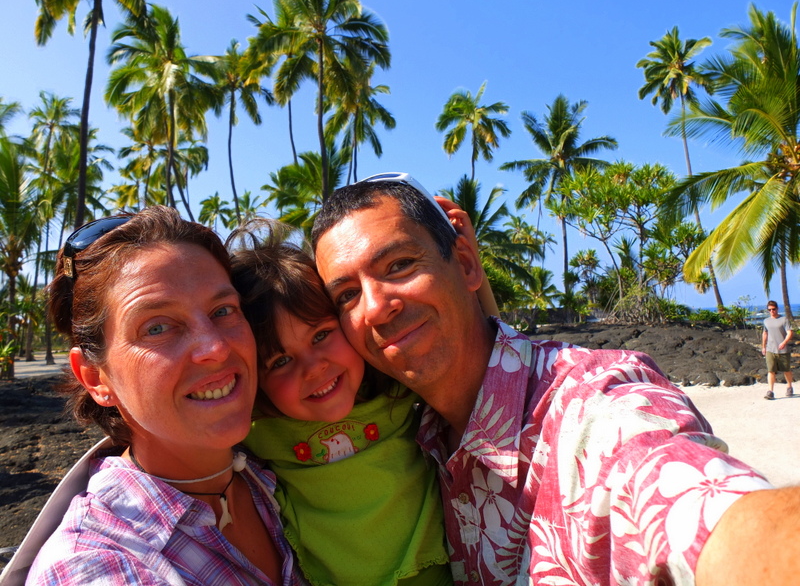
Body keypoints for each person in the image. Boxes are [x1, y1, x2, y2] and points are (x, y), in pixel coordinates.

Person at [310, 173, 799, 585]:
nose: (375, 307)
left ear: (466, 263)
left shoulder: (593, 408)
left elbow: (686, 499)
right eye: (347, 295)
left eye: (399, 265)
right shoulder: (408, 435)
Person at [26, 206, 306, 586]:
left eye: (223, 310)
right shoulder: (94, 565)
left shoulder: (276, 469)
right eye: (157, 327)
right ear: (95, 378)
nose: (215, 347)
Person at [227, 218, 455, 586]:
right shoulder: (255, 430)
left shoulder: (397, 387)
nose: (314, 368)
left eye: (321, 335)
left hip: (437, 571)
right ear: (258, 383)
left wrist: (458, 242)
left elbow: (479, 351)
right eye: (280, 361)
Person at [761, 300, 794, 400]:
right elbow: (765, 334)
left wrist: (784, 342)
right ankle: (770, 391)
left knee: (786, 370)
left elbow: (790, 332)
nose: (772, 311)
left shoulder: (784, 319)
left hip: (783, 350)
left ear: (777, 308)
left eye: (773, 309)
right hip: (770, 349)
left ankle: (789, 386)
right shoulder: (766, 321)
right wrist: (763, 347)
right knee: (771, 370)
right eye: (770, 310)